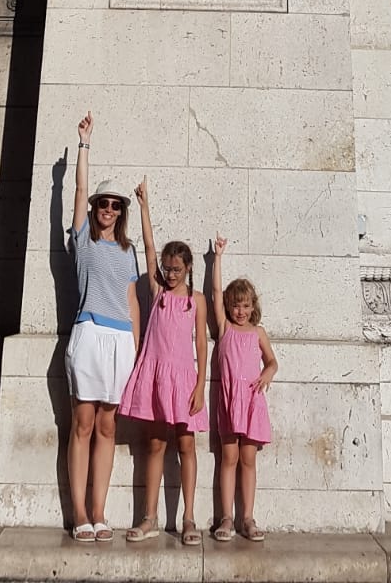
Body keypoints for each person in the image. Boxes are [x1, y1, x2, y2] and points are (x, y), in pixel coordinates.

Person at [64, 111, 140, 543]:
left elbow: (132, 302)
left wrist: (138, 349)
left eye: (116, 204)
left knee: (108, 426)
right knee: (83, 423)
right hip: (89, 333)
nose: (109, 209)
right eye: (103, 203)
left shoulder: (128, 250)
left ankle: (99, 510)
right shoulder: (82, 238)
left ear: (121, 211)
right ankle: (79, 512)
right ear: (95, 208)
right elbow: (78, 190)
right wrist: (84, 143)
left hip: (120, 339)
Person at [118, 180, 207, 546]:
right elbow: (149, 247)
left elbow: (201, 344)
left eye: (177, 269)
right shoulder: (156, 292)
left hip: (184, 381)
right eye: (167, 269)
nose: (170, 274)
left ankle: (188, 518)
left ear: (187, 268)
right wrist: (144, 206)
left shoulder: (196, 300)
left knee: (186, 446)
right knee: (154, 445)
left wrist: (200, 386)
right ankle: (150, 517)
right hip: (157, 377)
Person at [210, 237, 276, 542]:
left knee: (248, 460)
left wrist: (266, 374)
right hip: (229, 400)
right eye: (236, 305)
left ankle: (247, 517)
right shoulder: (224, 327)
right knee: (229, 458)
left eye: (246, 306)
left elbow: (272, 361)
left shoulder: (257, 332)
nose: (240, 311)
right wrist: (217, 258)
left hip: (251, 400)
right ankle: (226, 517)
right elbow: (214, 292)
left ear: (253, 307)